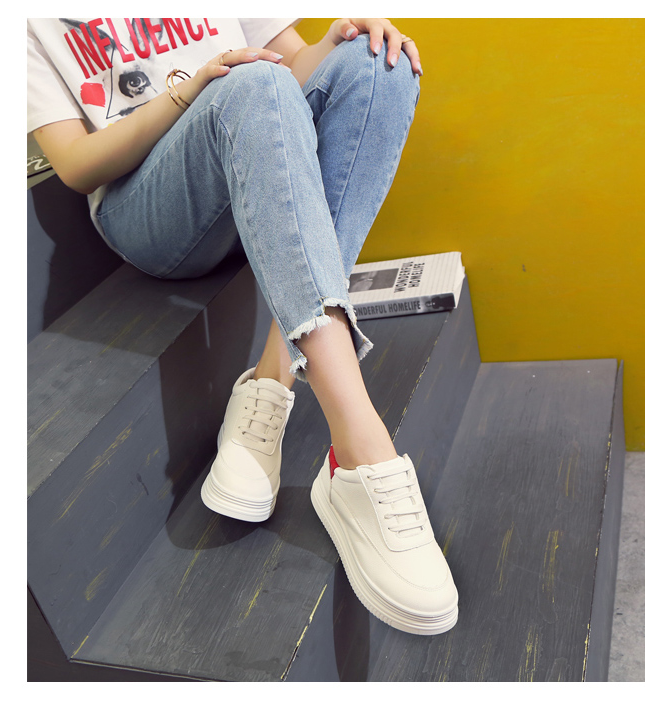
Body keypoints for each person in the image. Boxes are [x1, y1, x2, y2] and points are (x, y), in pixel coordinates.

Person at [27, 17, 458, 635]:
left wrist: (337, 42)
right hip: (148, 208)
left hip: (253, 160)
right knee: (252, 83)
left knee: (376, 65)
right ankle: (362, 450)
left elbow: (290, 69)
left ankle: (270, 380)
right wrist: (195, 91)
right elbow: (75, 164)